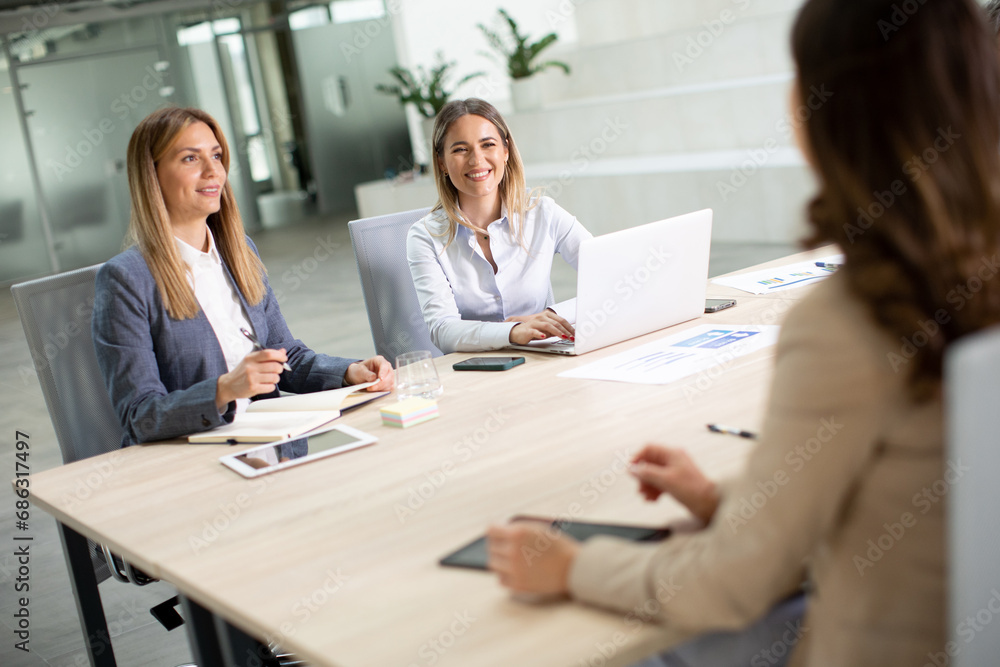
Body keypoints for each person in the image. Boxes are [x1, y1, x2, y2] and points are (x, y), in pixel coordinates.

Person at [486, 0, 1000, 665]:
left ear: (830, 111)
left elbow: (733, 583)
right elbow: (888, 488)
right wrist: (720, 498)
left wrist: (573, 566)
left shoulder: (852, 320)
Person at [93, 107, 393, 447]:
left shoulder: (239, 251)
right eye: (190, 158)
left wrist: (349, 372)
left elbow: (285, 356)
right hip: (194, 458)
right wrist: (224, 390)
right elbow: (140, 415)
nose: (213, 171)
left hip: (270, 444)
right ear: (152, 174)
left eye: (216, 156)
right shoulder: (125, 279)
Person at [406, 98, 593, 354]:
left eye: (488, 145)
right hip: (476, 368)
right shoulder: (425, 237)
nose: (476, 160)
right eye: (460, 149)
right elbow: (443, 330)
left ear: (505, 151)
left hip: (544, 358)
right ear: (441, 162)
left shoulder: (543, 213)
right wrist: (512, 332)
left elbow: (609, 276)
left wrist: (551, 315)